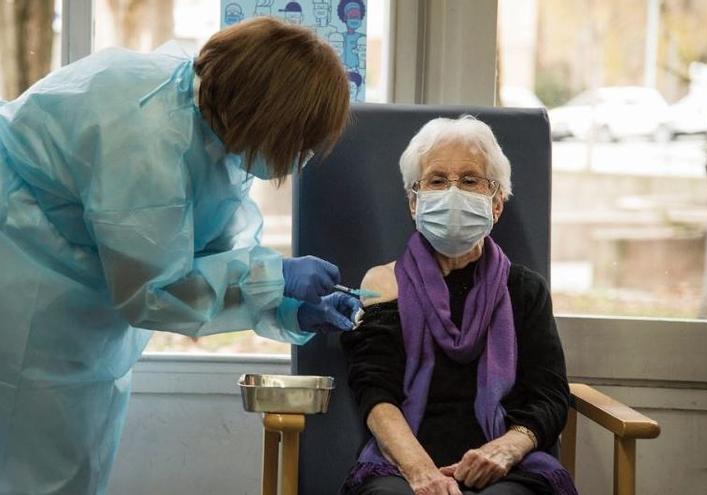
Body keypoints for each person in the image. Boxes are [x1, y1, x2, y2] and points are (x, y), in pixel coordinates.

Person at [0, 18, 358, 495]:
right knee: (34, 466)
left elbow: (211, 252)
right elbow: (156, 289)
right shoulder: (144, 136)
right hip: (26, 278)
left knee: (72, 460)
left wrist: (288, 305)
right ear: (263, 111)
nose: (300, 156)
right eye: (299, 141)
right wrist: (277, 276)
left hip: (77, 296)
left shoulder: (215, 128)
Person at [340, 116, 577, 495]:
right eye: (436, 180)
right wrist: (420, 471)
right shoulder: (384, 284)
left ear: (496, 203)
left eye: (469, 180)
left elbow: (548, 396)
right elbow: (374, 392)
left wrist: (505, 450)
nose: (452, 193)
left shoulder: (526, 290)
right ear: (414, 202)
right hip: (403, 461)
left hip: (506, 466)